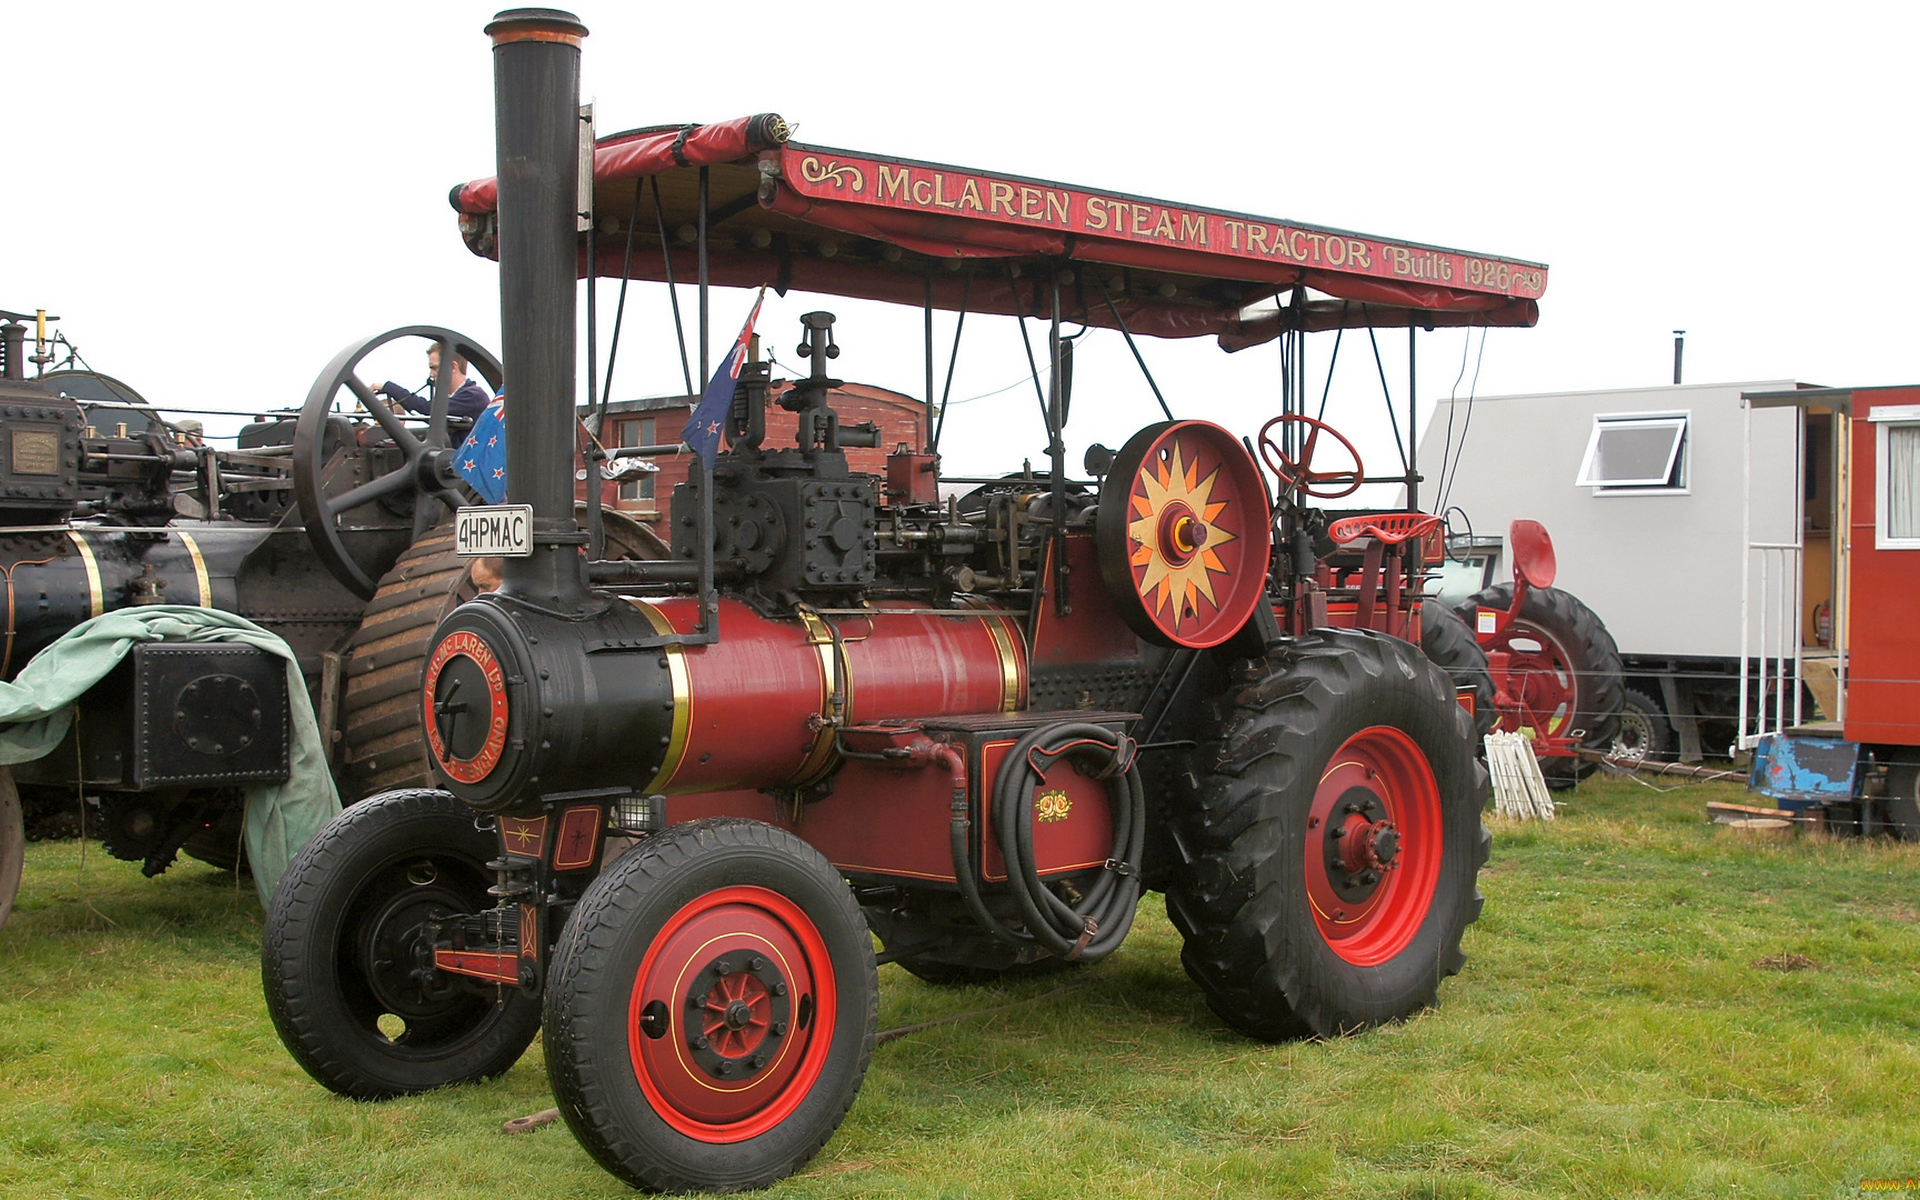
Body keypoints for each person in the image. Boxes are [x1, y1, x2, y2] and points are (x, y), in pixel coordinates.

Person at [374, 345, 491, 420]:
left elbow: (426, 409)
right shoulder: (459, 397)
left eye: (434, 368)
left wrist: (387, 386)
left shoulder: (473, 396)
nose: (431, 374)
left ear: (452, 367)